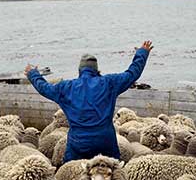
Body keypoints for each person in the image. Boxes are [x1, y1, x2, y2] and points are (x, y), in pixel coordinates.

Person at [25, 40, 153, 162]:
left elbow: (44, 88)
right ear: (96, 69)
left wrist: (33, 74)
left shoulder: (66, 87)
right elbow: (132, 74)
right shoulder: (109, 83)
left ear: (80, 70)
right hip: (105, 141)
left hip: (78, 143)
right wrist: (142, 53)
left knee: (72, 172)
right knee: (112, 172)